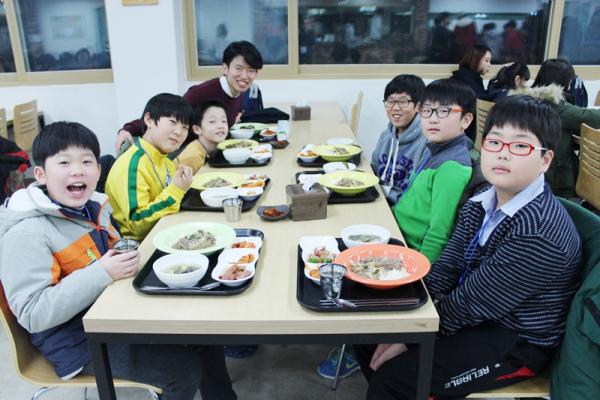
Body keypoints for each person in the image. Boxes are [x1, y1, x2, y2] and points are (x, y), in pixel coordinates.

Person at [355, 94, 582, 399]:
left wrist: (410, 337)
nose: (503, 154)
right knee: (368, 332)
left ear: (545, 160)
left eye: (520, 146)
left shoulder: (539, 233)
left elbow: (473, 302)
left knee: (394, 379)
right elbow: (447, 267)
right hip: (475, 312)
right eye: (494, 142)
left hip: (516, 340)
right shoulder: (481, 200)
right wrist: (406, 320)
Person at [0, 122, 236, 400]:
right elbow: (32, 314)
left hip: (114, 316)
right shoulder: (27, 233)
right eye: (64, 163)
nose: (77, 170)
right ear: (40, 174)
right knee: (182, 371)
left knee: (204, 333)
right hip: (77, 343)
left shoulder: (93, 207)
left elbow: (113, 258)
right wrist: (102, 272)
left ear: (98, 170)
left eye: (86, 161)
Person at [115, 41, 263, 153]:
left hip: (208, 153)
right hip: (181, 154)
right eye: (239, 68)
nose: (245, 76)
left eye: (251, 70)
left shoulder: (239, 92)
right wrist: (128, 129)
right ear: (225, 68)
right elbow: (167, 115)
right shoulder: (202, 92)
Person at [393, 79, 474, 264]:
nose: (433, 118)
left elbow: (438, 235)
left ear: (466, 120)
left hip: (407, 250)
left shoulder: (452, 167)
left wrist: (418, 273)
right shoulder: (434, 148)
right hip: (396, 229)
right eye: (427, 110)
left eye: (444, 111)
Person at [106, 93, 194, 241]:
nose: (179, 132)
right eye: (173, 122)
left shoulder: (165, 160)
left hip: (165, 232)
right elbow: (137, 221)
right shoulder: (132, 165)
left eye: (185, 127)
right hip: (141, 245)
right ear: (149, 120)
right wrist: (177, 190)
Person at [513, 58, 600, 197]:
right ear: (562, 82)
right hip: (554, 177)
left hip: (526, 168)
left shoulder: (527, 99)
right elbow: (590, 117)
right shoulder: (554, 106)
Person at [370, 74, 428, 204]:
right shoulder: (385, 136)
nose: (395, 108)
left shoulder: (426, 143)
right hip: (379, 200)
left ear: (418, 106)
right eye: (390, 101)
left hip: (402, 208)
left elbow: (418, 194)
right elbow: (373, 171)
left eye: (403, 102)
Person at [174, 100, 228, 174]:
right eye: (212, 121)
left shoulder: (208, 150)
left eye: (224, 121)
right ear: (197, 129)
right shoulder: (193, 156)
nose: (220, 126)